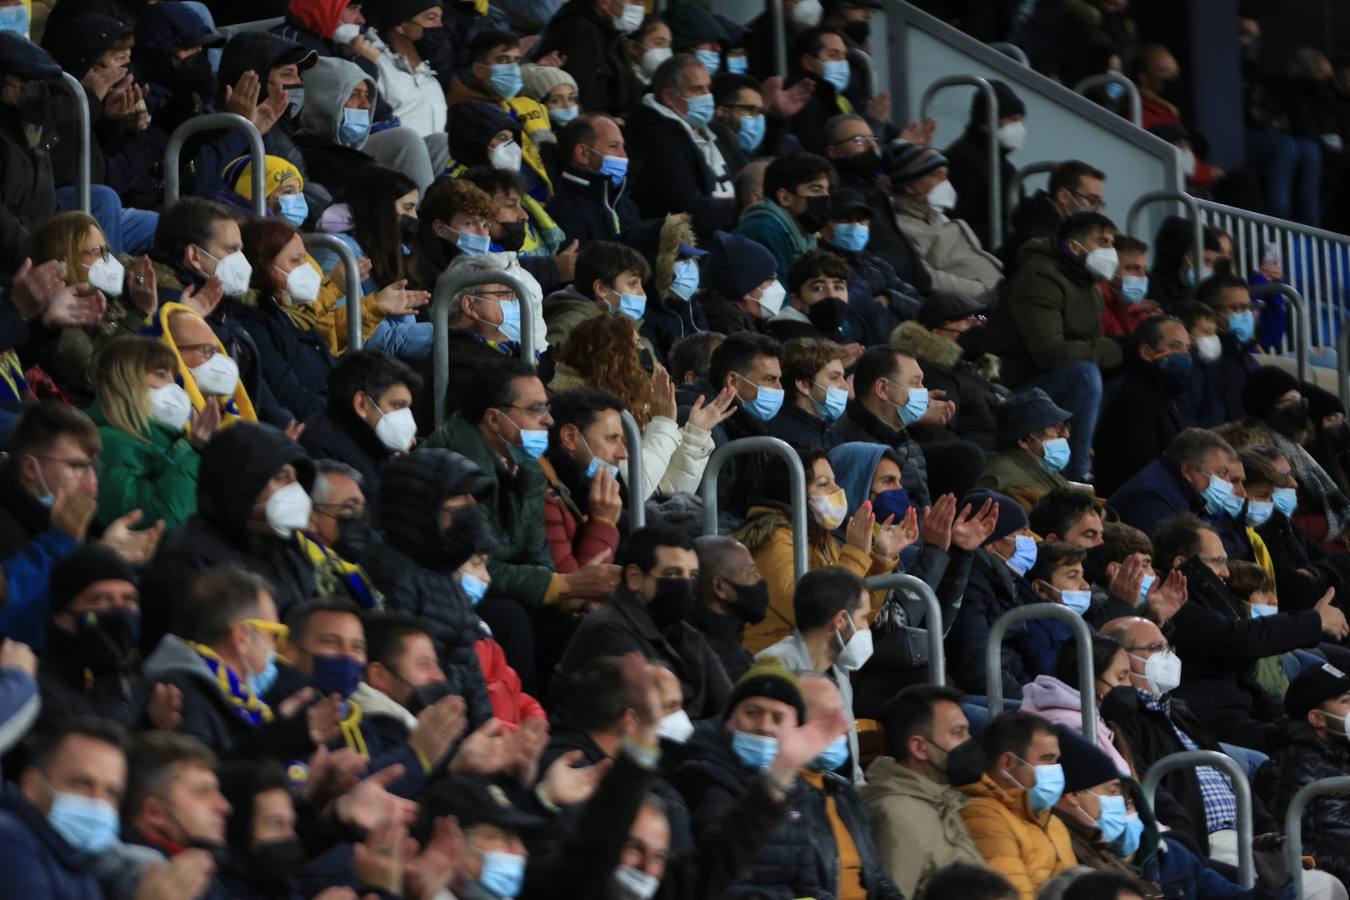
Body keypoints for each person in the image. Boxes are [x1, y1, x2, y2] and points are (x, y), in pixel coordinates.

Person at [672, 657, 900, 900]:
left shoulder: (834, 791)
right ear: (730, 720)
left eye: (778, 717)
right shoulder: (707, 779)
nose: (765, 727)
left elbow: (860, 877)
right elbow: (724, 881)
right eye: (752, 712)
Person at [424, 361, 621, 623]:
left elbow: (538, 556)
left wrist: (565, 593)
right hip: (456, 594)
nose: (549, 419)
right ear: (494, 418)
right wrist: (562, 586)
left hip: (513, 591)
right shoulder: (454, 468)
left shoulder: (528, 467)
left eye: (547, 407)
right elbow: (473, 564)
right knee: (510, 617)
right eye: (536, 409)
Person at [1152, 513, 1343, 752]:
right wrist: (1314, 621)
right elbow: (1237, 639)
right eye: (1217, 561)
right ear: (1182, 564)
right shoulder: (1171, 606)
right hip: (1210, 724)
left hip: (1240, 715)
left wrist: (1282, 714)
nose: (1226, 573)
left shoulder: (1209, 601)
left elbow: (1243, 675)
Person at [139, 421, 320, 641]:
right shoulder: (187, 558)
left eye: (297, 480)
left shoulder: (287, 549)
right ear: (242, 482)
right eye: (281, 477)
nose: (296, 490)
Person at [985, 212, 1124, 481]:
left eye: (1112, 243)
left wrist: (1113, 351)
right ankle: (1078, 474)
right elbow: (1051, 353)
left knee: (1121, 381)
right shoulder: (1039, 275)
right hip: (1011, 387)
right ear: (1074, 246)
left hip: (1047, 384)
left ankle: (1107, 473)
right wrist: (1117, 348)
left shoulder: (1091, 288)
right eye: (1103, 242)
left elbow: (1094, 348)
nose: (1111, 252)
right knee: (1084, 374)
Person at [140, 566, 326, 760]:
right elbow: (204, 780)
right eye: (273, 634)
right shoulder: (183, 694)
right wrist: (280, 739)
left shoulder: (235, 697)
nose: (276, 648)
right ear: (242, 638)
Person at [554, 526, 732, 719]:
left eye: (692, 576)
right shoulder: (606, 629)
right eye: (673, 574)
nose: (686, 586)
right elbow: (657, 720)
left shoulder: (683, 632)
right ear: (635, 578)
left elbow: (730, 707)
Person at [735, 447, 899, 653]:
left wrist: (880, 560)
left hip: (815, 659)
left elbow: (856, 618)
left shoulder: (822, 539)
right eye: (823, 484)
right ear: (792, 492)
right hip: (773, 661)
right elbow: (807, 613)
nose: (837, 490)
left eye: (834, 480)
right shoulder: (774, 538)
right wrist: (855, 553)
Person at [861, 684, 986, 897]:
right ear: (920, 748)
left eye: (968, 731)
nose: (969, 742)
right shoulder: (896, 814)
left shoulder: (941, 800)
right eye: (958, 733)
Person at [756, 566, 870, 783]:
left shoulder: (839, 670)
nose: (867, 628)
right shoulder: (774, 668)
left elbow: (852, 771)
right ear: (840, 621)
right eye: (864, 618)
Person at [0, 717, 136, 897]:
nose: (98, 802)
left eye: (111, 793)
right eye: (82, 784)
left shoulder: (79, 861)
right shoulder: (9, 840)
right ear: (31, 786)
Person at [87, 335, 209, 531]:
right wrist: (195, 454)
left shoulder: (171, 440)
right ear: (126, 382)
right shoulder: (107, 446)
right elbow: (161, 522)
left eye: (173, 377)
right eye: (161, 375)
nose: (174, 387)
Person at [960, 711, 1077, 900]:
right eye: (1047, 759)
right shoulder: (983, 815)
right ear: (1008, 763)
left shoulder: (1053, 822)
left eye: (1056, 760)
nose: (1055, 769)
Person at [1255, 663, 1350, 891]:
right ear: (1317, 718)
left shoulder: (1343, 755)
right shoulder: (1290, 766)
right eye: (1346, 702)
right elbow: (1283, 843)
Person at [237, 217, 338, 422]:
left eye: (304, 259)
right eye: (295, 260)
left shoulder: (283, 312)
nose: (305, 269)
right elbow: (290, 395)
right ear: (262, 264)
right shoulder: (251, 320)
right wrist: (349, 418)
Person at [35, 545, 143, 730]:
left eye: (128, 599)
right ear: (62, 616)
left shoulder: (137, 682)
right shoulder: (38, 692)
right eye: (101, 600)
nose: (120, 610)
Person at [627, 53, 737, 236]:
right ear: (669, 97)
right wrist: (740, 207)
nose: (707, 97)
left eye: (707, 88)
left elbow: (746, 172)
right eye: (697, 89)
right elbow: (686, 208)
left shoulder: (712, 129)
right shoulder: (654, 138)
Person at [944, 490, 1039, 701]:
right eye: (1022, 533)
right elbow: (977, 668)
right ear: (990, 541)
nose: (1030, 541)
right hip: (989, 698)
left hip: (1011, 690)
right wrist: (1027, 702)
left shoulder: (1003, 579)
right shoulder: (971, 582)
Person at [825, 115, 932, 293]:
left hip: (912, 287)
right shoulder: (840, 193)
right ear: (833, 152)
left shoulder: (869, 182)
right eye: (859, 140)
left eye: (872, 138)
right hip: (887, 293)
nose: (871, 146)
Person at [299, 349, 422, 503]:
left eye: (407, 408)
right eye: (397, 406)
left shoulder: (374, 445)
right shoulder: (320, 446)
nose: (406, 417)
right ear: (362, 404)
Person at [890, 290, 1005, 452]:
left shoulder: (971, 368)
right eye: (969, 320)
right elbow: (942, 441)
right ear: (937, 332)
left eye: (981, 318)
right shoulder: (932, 374)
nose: (978, 324)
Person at [1092, 316, 1194, 495]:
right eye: (1176, 347)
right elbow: (1142, 470)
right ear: (1147, 352)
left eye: (1187, 349)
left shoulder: (1164, 395)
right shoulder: (1134, 400)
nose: (1185, 356)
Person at [889, 141, 1004, 297]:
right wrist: (985, 292)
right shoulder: (902, 228)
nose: (946, 183)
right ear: (910, 187)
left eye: (946, 176)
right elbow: (926, 277)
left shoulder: (938, 217)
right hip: (976, 309)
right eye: (937, 175)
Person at [1021, 634, 1134, 776]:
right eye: (1121, 677)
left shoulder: (1096, 719)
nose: (1129, 685)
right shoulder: (1076, 729)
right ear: (1088, 679)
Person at [539, 388, 624, 575]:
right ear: (570, 437)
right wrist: (603, 523)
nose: (623, 453)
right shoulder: (545, 494)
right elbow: (577, 594)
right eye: (611, 439)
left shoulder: (580, 489)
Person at [1109, 428, 1241, 539]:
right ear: (1187, 470)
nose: (1228, 484)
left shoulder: (1188, 496)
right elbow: (1167, 560)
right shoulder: (1151, 498)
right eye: (1222, 473)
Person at [943, 79, 1025, 250]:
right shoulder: (962, 160)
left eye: (1020, 120)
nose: (1018, 127)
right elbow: (959, 222)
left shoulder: (1001, 164)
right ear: (988, 120)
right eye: (1012, 119)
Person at [536, 0, 643, 118]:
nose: (638, 7)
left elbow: (632, 89)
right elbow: (584, 94)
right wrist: (609, 122)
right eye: (634, 1)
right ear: (604, 2)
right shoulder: (577, 29)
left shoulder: (613, 33)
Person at [544, 114, 640, 245]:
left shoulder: (623, 202)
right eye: (613, 146)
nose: (624, 155)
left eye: (622, 146)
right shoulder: (564, 213)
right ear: (583, 154)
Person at [734, 153, 832, 280]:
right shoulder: (764, 232)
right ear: (785, 198)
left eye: (826, 190)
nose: (826, 197)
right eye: (816, 190)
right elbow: (774, 295)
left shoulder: (806, 235)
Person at [976, 389, 1077, 512]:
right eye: (1055, 427)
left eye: (1065, 426)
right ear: (1024, 441)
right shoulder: (1005, 480)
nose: (1066, 434)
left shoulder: (1041, 467)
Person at [1002, 160, 1107, 271]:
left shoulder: (1061, 231)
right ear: (1064, 196)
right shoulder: (1036, 239)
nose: (1098, 211)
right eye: (1092, 200)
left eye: (1100, 203)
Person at [691, 535, 767, 684]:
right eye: (752, 572)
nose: (760, 579)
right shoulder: (701, 657)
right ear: (720, 587)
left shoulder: (737, 653)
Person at [768, 336, 849, 449]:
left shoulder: (831, 433)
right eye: (834, 378)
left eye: (843, 377)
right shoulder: (786, 440)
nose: (845, 386)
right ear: (804, 385)